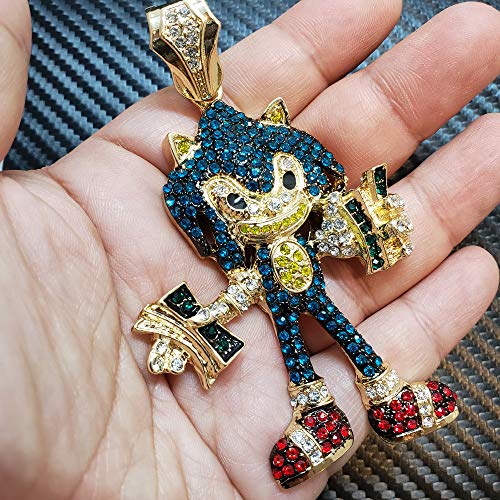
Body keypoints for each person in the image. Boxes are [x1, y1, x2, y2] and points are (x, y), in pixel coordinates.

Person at [0, 0, 499, 498]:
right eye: (238, 202)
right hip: (274, 295)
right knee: (295, 350)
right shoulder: (238, 249)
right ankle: (320, 418)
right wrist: (205, 317)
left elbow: (333, 231)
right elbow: (241, 290)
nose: (271, 207)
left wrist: (356, 231)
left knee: (345, 333)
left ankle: (388, 397)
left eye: (286, 181)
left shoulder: (305, 217)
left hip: (309, 279)